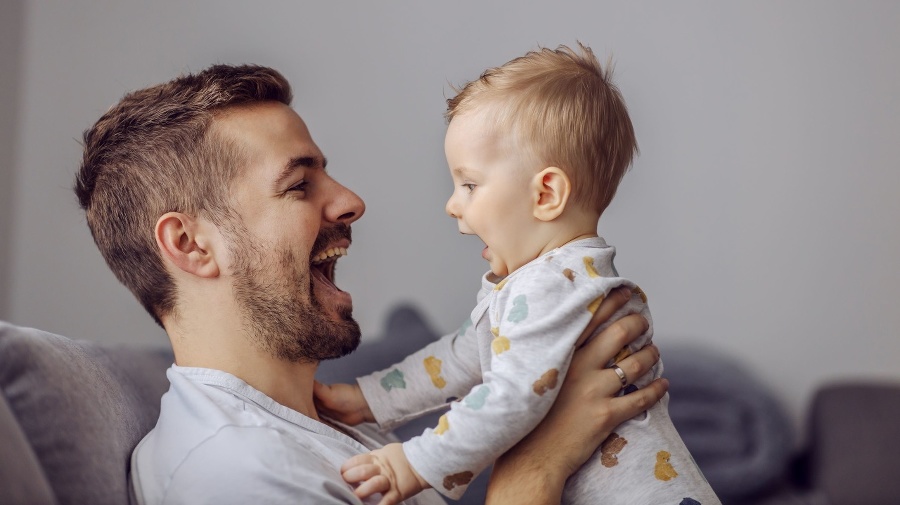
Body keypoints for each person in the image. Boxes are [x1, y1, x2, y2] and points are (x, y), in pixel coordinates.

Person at [74, 63, 667, 505]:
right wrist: (537, 464)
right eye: (299, 186)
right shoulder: (233, 474)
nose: (352, 201)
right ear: (191, 245)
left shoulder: (320, 424)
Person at [315, 44, 719, 505]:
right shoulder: (544, 282)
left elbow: (510, 400)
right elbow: (459, 357)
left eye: (469, 184)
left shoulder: (553, 285)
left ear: (546, 194)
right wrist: (369, 399)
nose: (452, 205)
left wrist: (415, 462)